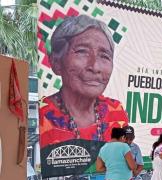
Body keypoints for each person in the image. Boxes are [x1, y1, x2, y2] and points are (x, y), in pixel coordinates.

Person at [40, 15, 128, 147]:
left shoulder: (116, 112)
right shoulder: (41, 114)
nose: (95, 67)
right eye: (82, 52)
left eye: (104, 56)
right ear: (56, 62)